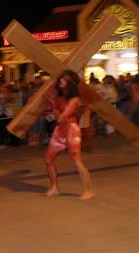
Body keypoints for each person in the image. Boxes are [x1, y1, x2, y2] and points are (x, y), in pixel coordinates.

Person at [43, 70, 95, 200]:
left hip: (71, 130)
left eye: (64, 79)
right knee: (48, 159)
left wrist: (53, 105)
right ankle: (54, 187)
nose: (61, 80)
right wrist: (53, 103)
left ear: (70, 83)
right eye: (61, 78)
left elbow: (61, 118)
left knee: (77, 161)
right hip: (60, 130)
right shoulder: (60, 96)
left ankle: (89, 190)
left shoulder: (74, 99)